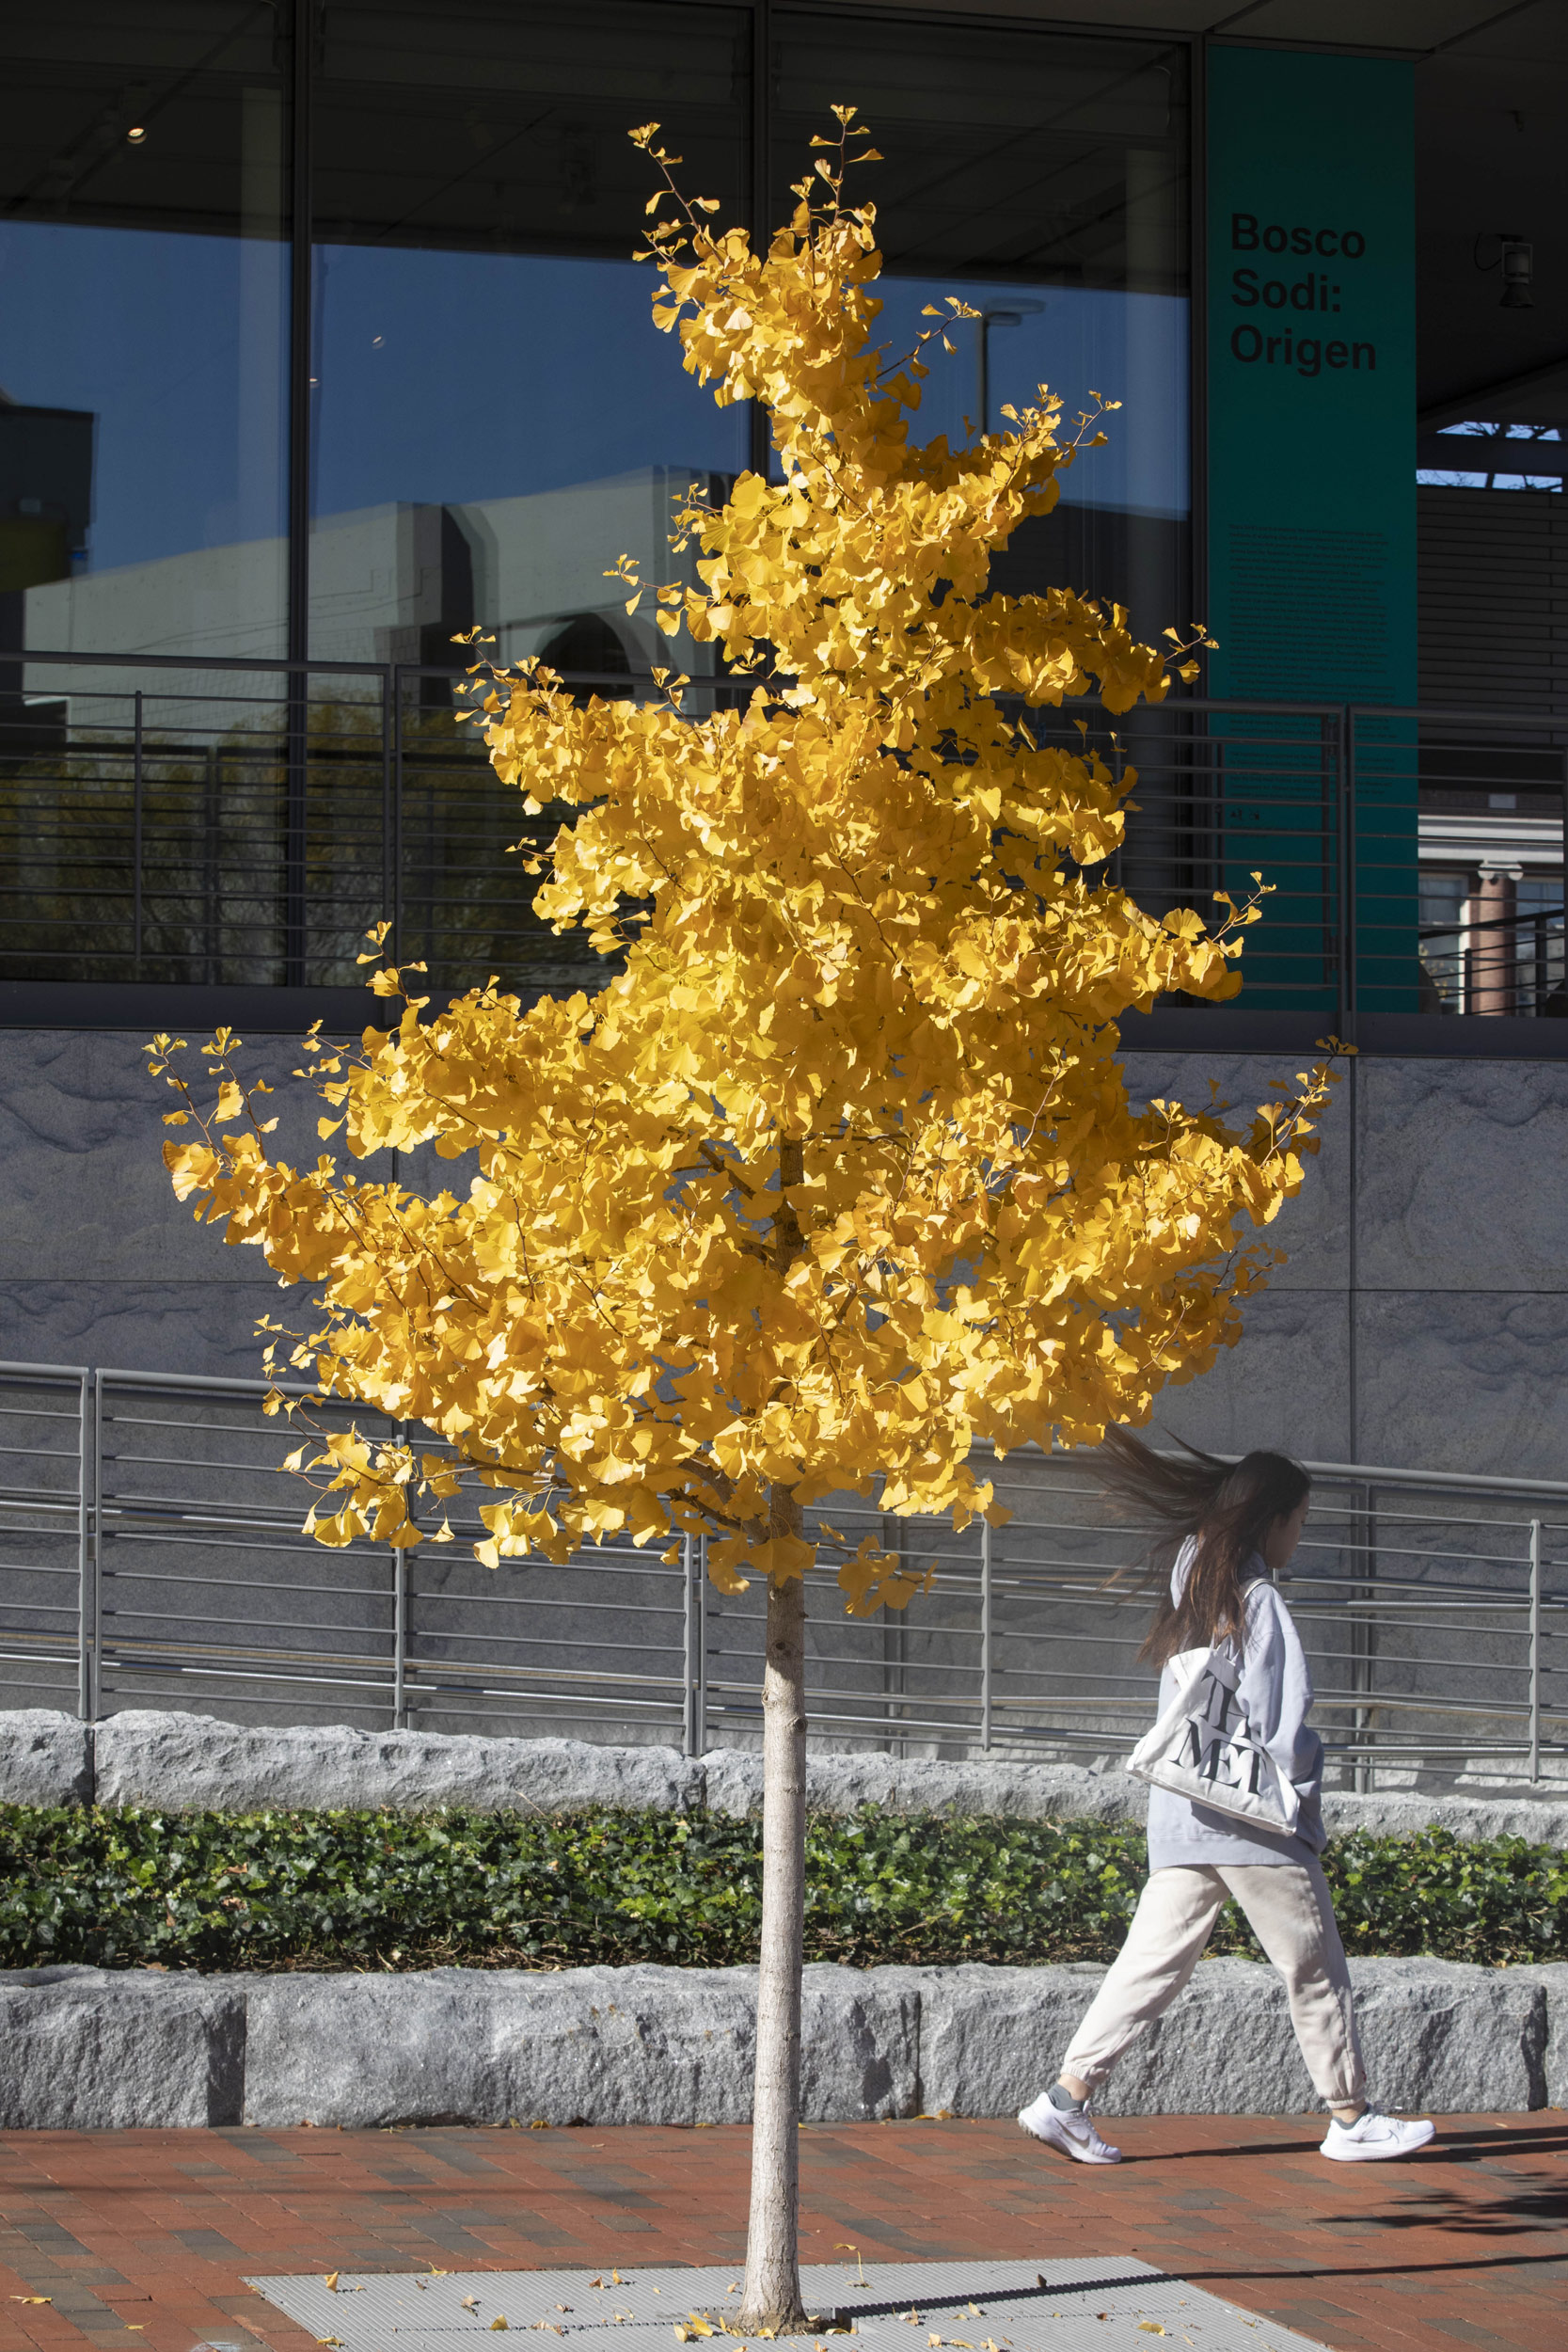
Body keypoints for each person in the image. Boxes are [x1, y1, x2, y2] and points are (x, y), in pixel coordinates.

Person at [1018, 1431, 1435, 2168]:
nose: (1300, 1536)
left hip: (1184, 1811)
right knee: (1314, 1964)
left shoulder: (1193, 1583)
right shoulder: (1258, 1601)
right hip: (1250, 1818)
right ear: (1268, 1520)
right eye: (1299, 1521)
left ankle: (1065, 2099)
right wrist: (1303, 1808)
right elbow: (1280, 1725)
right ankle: (1351, 2116)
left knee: (1150, 1965)